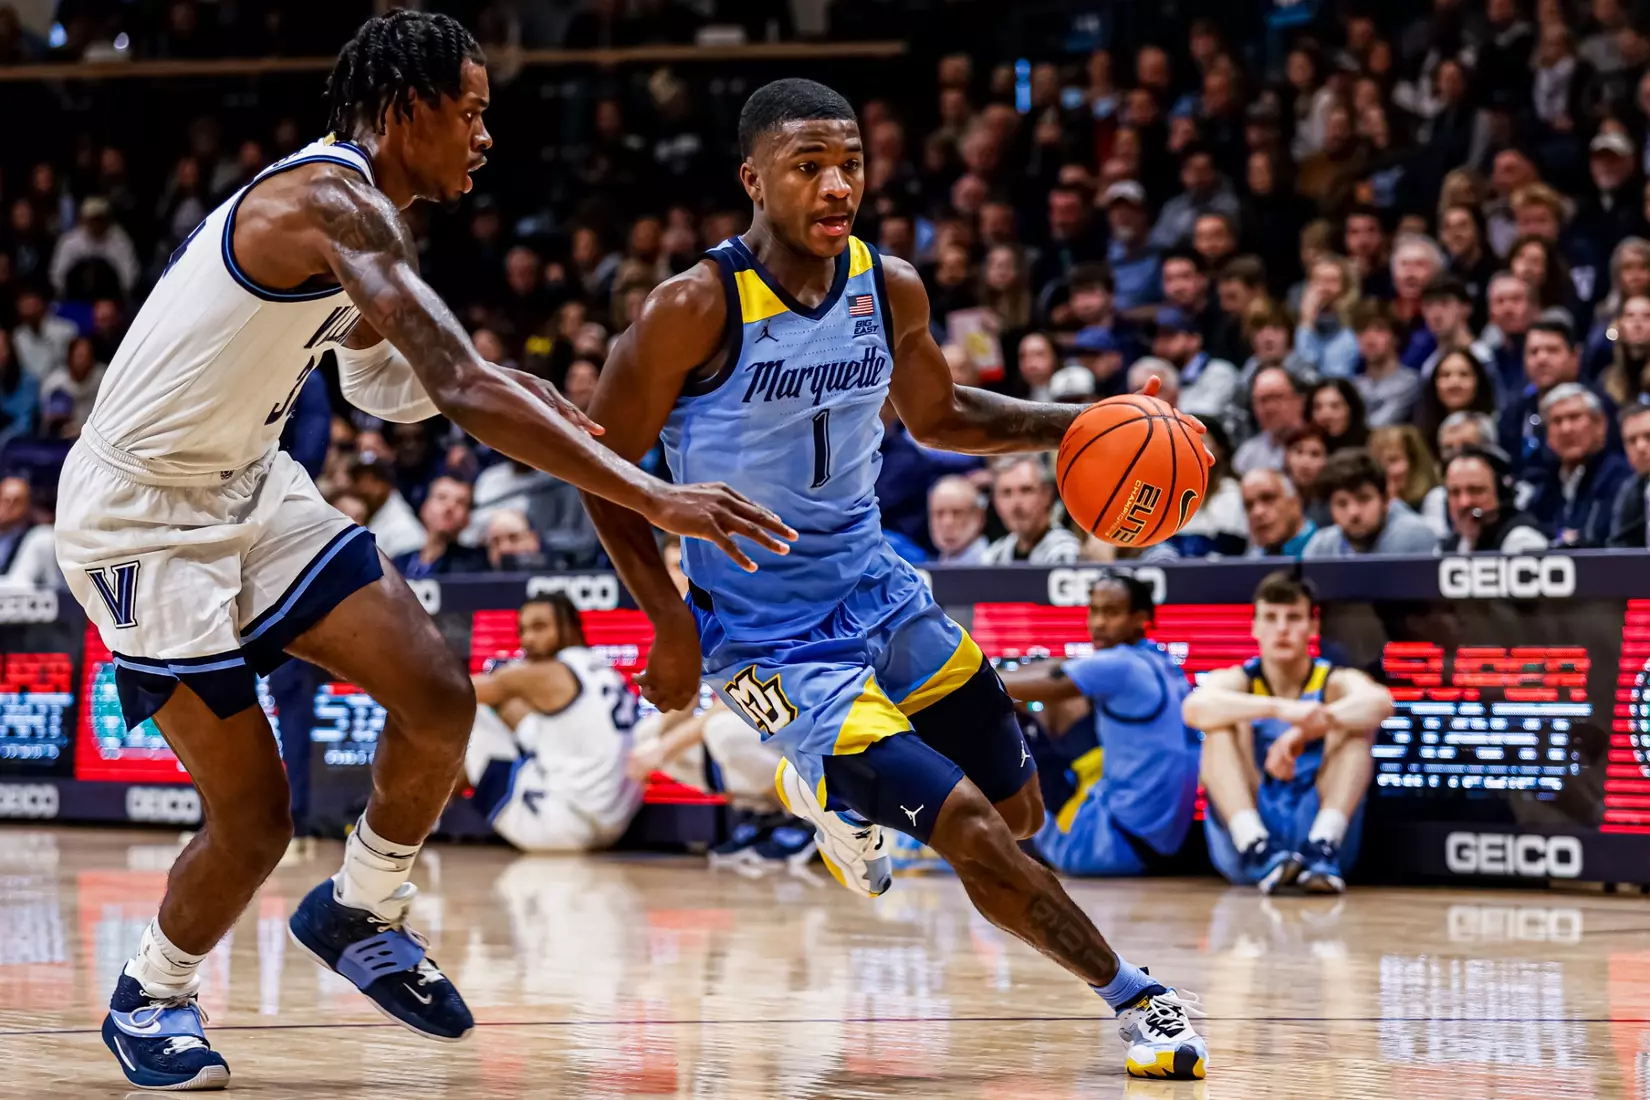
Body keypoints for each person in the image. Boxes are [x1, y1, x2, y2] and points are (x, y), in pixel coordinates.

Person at [61, 14, 790, 1091]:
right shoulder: (327, 201)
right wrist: (650, 494)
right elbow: (452, 387)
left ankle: (361, 906)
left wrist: (516, 384)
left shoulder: (360, 219)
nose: (484, 136)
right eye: (472, 110)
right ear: (407, 109)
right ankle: (151, 992)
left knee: (442, 697)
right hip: (142, 518)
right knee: (254, 818)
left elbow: (379, 377)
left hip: (251, 487)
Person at [580, 78, 1208, 1080]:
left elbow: (938, 413)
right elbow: (597, 466)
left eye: (851, 163)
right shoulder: (693, 305)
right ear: (754, 178)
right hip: (771, 634)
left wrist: (1081, 422)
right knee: (962, 825)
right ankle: (1139, 996)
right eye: (808, 166)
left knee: (1017, 815)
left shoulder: (891, 284)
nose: (837, 186)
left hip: (879, 586)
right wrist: (666, 618)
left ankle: (828, 791)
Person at [1184, 573, 1393, 893]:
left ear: (1312, 627)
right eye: (1270, 617)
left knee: (1356, 729)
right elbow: (1194, 709)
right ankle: (1255, 846)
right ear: (1254, 627)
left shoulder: (1334, 680)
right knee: (1218, 729)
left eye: (1294, 618)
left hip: (1316, 831)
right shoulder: (1238, 679)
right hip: (1250, 832)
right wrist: (1279, 709)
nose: (1282, 629)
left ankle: (1324, 843)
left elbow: (1380, 703)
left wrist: (1307, 729)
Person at [999, 574, 1200, 876]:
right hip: (1163, 847)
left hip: (1106, 844)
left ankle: (987, 833)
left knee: (1005, 708)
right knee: (1066, 696)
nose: (1098, 623)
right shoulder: (1162, 662)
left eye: (1112, 612)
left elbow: (1034, 684)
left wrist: (965, 676)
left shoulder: (1118, 665)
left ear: (1139, 619)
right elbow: (1060, 668)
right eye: (1094, 610)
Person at [466, 594, 643, 851]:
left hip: (561, 826)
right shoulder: (604, 670)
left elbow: (459, 691)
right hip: (615, 824)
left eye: (539, 627)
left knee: (463, 714)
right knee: (512, 709)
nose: (528, 639)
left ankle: (422, 819)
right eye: (523, 630)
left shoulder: (551, 672)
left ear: (570, 628)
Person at [1523, 383, 1634, 547]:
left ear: (1600, 425)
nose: (1566, 429)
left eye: (1574, 417)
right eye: (1557, 421)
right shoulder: (1543, 488)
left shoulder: (1622, 478)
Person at [1302, 449, 1441, 557]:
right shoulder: (1321, 546)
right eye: (1342, 503)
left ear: (1386, 500)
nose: (1353, 512)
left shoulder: (1412, 535)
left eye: (1364, 499)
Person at [1442, 447, 1550, 553]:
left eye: (1475, 491)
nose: (1464, 502)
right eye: (1454, 493)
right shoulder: (1451, 546)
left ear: (1500, 494)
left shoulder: (1522, 540)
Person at [982, 456, 1081, 564]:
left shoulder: (1066, 550)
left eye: (1026, 490)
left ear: (1047, 495)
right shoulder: (994, 555)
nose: (1016, 503)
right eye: (1006, 493)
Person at [391, 474, 488, 577]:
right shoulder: (398, 563)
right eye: (442, 498)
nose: (450, 507)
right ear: (424, 507)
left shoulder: (475, 566)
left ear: (467, 519)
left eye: (460, 502)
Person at [348, 450, 426, 559]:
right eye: (358, 480)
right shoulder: (367, 516)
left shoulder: (403, 527)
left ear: (387, 483)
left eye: (371, 480)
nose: (363, 487)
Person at [1233, 366, 1306, 475]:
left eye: (1277, 397)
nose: (1269, 407)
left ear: (1300, 401)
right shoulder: (1247, 455)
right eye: (1262, 400)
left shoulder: (1319, 446)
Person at [1242, 469, 1316, 556]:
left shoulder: (1328, 549)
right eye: (1249, 505)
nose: (1257, 512)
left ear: (1295, 503)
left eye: (1268, 498)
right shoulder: (1251, 560)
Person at [1609, 403, 1650, 546]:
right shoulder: (1631, 489)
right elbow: (1618, 550)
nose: (1640, 447)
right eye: (1631, 441)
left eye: (1648, 437)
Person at [928, 475, 989, 564]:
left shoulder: (995, 563)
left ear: (979, 518)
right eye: (939, 513)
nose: (947, 523)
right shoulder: (927, 569)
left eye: (957, 513)